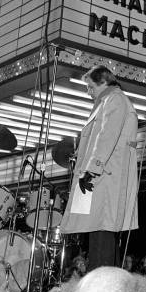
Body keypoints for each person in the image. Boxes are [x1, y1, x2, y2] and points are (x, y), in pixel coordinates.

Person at [60, 65, 139, 269]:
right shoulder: (108, 101)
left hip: (105, 178)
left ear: (103, 82)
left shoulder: (115, 100)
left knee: (102, 234)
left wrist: (91, 168)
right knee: (100, 233)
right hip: (103, 177)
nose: (88, 91)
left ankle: (101, 289)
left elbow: (107, 136)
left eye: (90, 86)